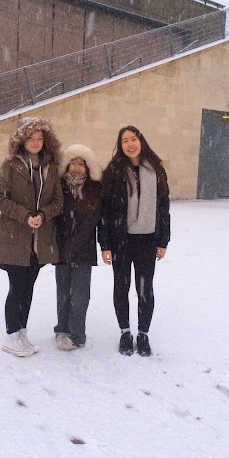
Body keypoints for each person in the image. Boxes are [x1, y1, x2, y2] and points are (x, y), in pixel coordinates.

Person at [0, 117, 63, 357]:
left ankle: (21, 331)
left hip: (39, 241)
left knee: (28, 287)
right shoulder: (10, 165)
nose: (35, 142)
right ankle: (11, 335)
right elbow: (0, 198)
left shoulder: (51, 167)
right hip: (14, 238)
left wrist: (42, 215)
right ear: (21, 140)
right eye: (30, 138)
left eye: (40, 138)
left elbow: (58, 201)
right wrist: (25, 216)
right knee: (17, 287)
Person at [98, 125, 170, 357]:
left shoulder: (155, 169)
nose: (130, 144)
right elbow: (104, 211)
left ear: (141, 140)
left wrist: (163, 241)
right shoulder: (113, 171)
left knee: (145, 288)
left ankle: (143, 334)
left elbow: (163, 207)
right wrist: (105, 244)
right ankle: (125, 332)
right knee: (122, 287)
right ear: (120, 145)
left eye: (133, 139)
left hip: (148, 239)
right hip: (121, 239)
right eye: (124, 141)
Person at [53, 144, 103, 351]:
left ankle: (77, 334)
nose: (76, 167)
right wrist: (62, 245)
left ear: (87, 167)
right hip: (61, 249)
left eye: (81, 164)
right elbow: (55, 218)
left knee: (80, 295)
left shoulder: (94, 189)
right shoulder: (59, 188)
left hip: (84, 250)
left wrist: (74, 245)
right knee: (63, 292)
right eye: (72, 163)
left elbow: (92, 221)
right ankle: (62, 329)